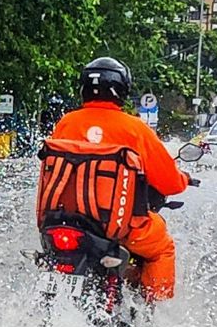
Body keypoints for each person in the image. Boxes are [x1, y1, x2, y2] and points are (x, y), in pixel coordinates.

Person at [42, 57, 189, 301]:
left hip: (62, 221)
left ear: (83, 89)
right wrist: (183, 178)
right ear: (121, 91)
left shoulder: (66, 122)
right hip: (117, 227)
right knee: (162, 249)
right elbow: (170, 183)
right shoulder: (135, 128)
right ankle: (154, 313)